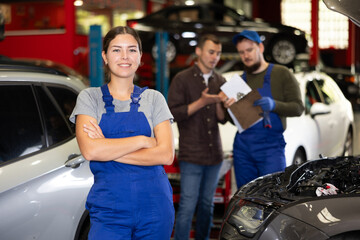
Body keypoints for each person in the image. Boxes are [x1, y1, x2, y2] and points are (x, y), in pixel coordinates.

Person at [69, 26, 175, 240]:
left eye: (132, 50)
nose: (125, 56)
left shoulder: (154, 99)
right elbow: (90, 151)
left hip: (155, 208)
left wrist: (107, 146)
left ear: (140, 56)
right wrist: (143, 140)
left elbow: (165, 155)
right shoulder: (89, 98)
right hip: (109, 211)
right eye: (117, 50)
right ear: (105, 56)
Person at [227, 30, 304, 188]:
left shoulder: (282, 74)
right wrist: (228, 109)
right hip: (243, 148)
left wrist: (275, 105)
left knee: (272, 194)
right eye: (241, 52)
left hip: (270, 148)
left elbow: (298, 108)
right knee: (246, 196)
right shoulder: (239, 82)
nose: (246, 56)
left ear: (260, 48)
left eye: (249, 50)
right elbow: (235, 121)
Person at [167, 34, 227, 240]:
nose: (215, 57)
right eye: (211, 52)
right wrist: (201, 102)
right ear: (199, 51)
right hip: (191, 154)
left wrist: (220, 101)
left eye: (218, 53)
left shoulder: (221, 80)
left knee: (207, 205)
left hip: (214, 155)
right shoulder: (182, 79)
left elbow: (222, 118)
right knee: (187, 204)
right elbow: (173, 113)